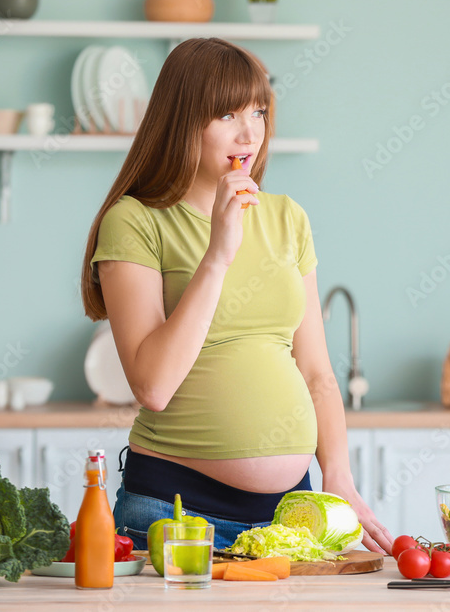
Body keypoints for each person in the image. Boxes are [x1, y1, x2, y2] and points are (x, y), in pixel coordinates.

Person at [79, 37, 392, 554]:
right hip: (174, 514)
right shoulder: (135, 221)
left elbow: (316, 372)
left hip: (293, 519)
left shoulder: (287, 217)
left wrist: (340, 480)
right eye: (226, 113)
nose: (250, 132)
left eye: (259, 111)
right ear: (182, 119)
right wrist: (218, 255)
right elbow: (153, 387)